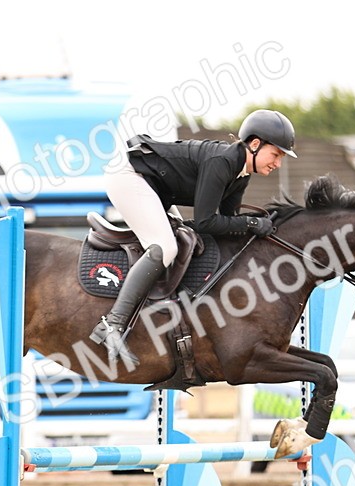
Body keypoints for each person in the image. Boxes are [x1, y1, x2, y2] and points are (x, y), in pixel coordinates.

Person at [89, 109, 297, 365]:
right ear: (255, 144)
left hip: (154, 186)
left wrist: (256, 228)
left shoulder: (241, 175)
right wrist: (252, 222)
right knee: (164, 248)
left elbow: (228, 223)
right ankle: (113, 324)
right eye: (276, 154)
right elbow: (206, 222)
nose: (278, 163)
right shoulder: (222, 162)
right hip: (129, 176)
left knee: (180, 239)